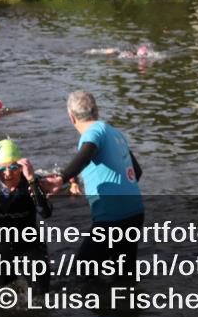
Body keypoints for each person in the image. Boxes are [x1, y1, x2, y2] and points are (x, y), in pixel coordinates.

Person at [43, 91, 143, 273]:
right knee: (124, 274)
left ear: (71, 117)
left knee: (82, 274)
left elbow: (88, 151)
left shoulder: (93, 132)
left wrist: (61, 178)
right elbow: (137, 172)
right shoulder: (115, 133)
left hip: (112, 218)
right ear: (96, 110)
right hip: (135, 213)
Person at [0, 139, 52, 294]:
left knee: (41, 295)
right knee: (0, 295)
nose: (7, 173)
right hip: (2, 248)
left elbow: (46, 213)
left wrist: (32, 181)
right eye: (2, 168)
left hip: (31, 247)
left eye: (13, 167)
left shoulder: (31, 182)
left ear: (21, 167)